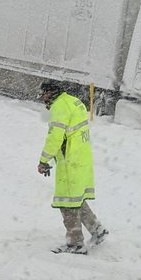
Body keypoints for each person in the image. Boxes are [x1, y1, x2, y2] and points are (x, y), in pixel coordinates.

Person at [37, 80, 108, 254]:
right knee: (76, 199)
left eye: (44, 93)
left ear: (51, 92)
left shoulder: (60, 108)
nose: (42, 97)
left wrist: (44, 161)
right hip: (81, 158)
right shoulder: (73, 101)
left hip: (70, 162)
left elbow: (55, 138)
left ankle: (75, 244)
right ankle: (97, 230)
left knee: (67, 203)